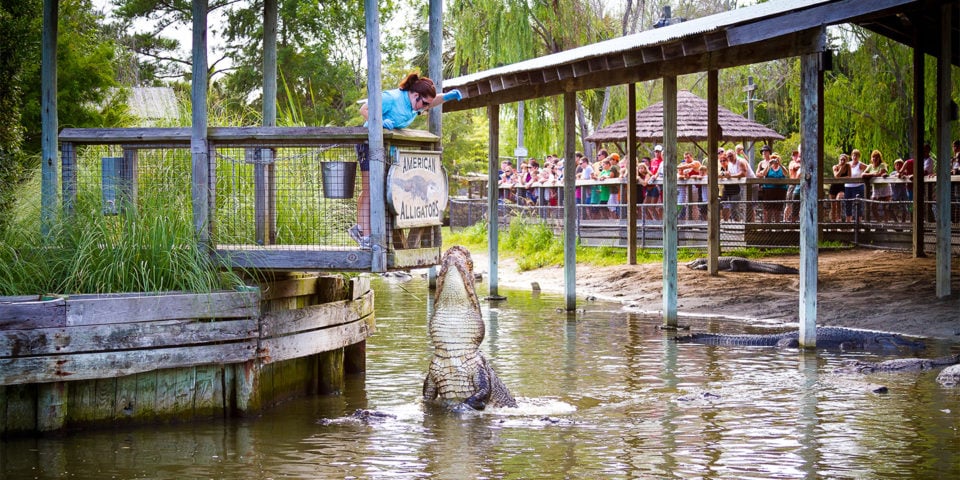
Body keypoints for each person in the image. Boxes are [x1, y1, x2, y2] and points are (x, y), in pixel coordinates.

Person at [353, 72, 462, 248]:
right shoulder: (392, 98)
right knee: (369, 188)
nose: (426, 108)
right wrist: (380, 121)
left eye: (427, 105)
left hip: (388, 150)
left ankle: (365, 230)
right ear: (415, 95)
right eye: (424, 104)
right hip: (369, 146)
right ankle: (364, 235)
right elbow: (364, 109)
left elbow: (430, 101)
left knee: (381, 190)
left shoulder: (414, 105)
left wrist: (447, 97)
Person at [757, 153, 787, 222]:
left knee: (778, 209)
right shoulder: (769, 168)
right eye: (773, 159)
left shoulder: (781, 167)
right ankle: (768, 227)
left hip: (780, 191)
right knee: (768, 209)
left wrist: (780, 164)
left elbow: (786, 173)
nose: (774, 161)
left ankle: (778, 227)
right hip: (768, 191)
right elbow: (763, 174)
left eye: (776, 159)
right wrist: (769, 165)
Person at [862, 149, 891, 222]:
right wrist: (872, 174)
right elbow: (863, 174)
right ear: (871, 158)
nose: (874, 158)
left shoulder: (882, 165)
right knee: (873, 207)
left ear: (879, 158)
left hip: (885, 187)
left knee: (886, 207)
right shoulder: (870, 166)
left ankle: (886, 224)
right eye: (873, 157)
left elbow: (881, 173)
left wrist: (872, 175)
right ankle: (879, 222)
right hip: (876, 188)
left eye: (876, 157)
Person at [844, 149, 866, 222]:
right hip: (848, 187)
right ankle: (848, 222)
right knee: (847, 204)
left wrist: (864, 175)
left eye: (857, 155)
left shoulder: (860, 164)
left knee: (858, 204)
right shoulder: (848, 164)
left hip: (858, 186)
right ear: (851, 156)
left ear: (859, 157)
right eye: (853, 155)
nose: (855, 157)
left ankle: (858, 222)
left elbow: (870, 168)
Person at [829, 154, 850, 222]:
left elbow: (849, 177)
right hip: (834, 186)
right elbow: (836, 176)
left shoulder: (848, 166)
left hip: (841, 187)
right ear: (839, 160)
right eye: (841, 159)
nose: (842, 161)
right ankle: (833, 221)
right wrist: (841, 167)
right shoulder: (835, 167)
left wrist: (840, 178)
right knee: (833, 205)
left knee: (839, 200)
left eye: (844, 159)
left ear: (846, 160)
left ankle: (839, 219)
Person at [784, 149, 802, 222]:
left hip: (800, 186)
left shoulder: (801, 162)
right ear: (792, 157)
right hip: (792, 185)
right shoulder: (792, 163)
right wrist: (801, 162)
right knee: (789, 204)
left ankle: (798, 220)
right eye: (794, 155)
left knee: (799, 205)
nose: (796, 156)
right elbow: (796, 166)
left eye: (797, 154)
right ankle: (785, 220)